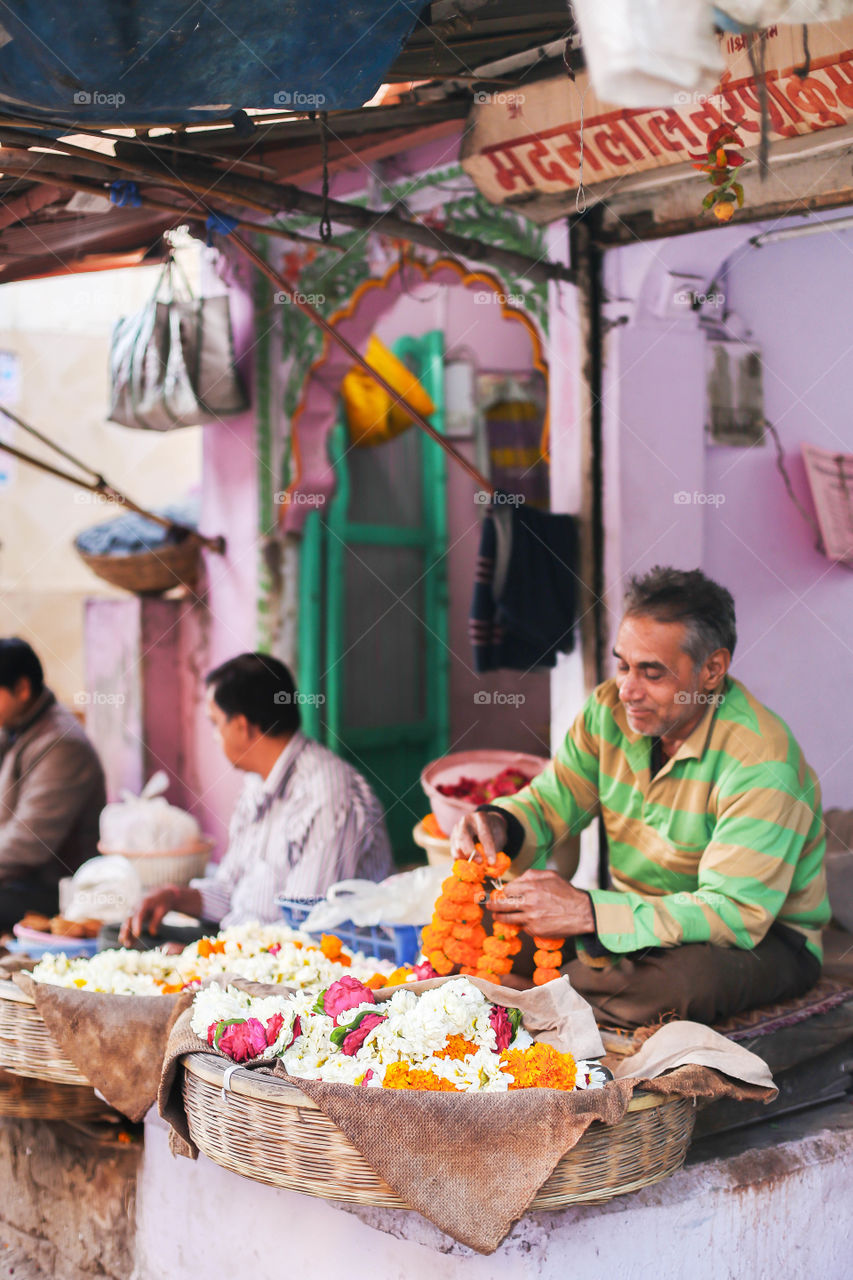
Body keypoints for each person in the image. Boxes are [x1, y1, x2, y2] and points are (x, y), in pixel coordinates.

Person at [452, 567, 830, 1029]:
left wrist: (589, 912)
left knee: (682, 985)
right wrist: (500, 824)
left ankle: (553, 992)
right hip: (635, 917)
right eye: (623, 665)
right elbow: (553, 799)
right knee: (480, 920)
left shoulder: (762, 760)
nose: (628, 691)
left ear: (712, 669)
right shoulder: (608, 712)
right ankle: (572, 987)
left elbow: (733, 913)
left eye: (652, 673)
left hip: (760, 937)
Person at [123, 652, 393, 941]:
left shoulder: (328, 793)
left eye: (216, 723)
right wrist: (174, 896)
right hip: (243, 938)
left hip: (300, 954)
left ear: (242, 726)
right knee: (120, 934)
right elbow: (230, 890)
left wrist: (204, 957)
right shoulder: (257, 784)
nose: (215, 736)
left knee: (152, 952)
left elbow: (306, 927)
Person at [0, 638, 106, 932]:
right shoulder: (14, 727)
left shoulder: (63, 745)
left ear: (22, 689)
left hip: (54, 889)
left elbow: (27, 844)